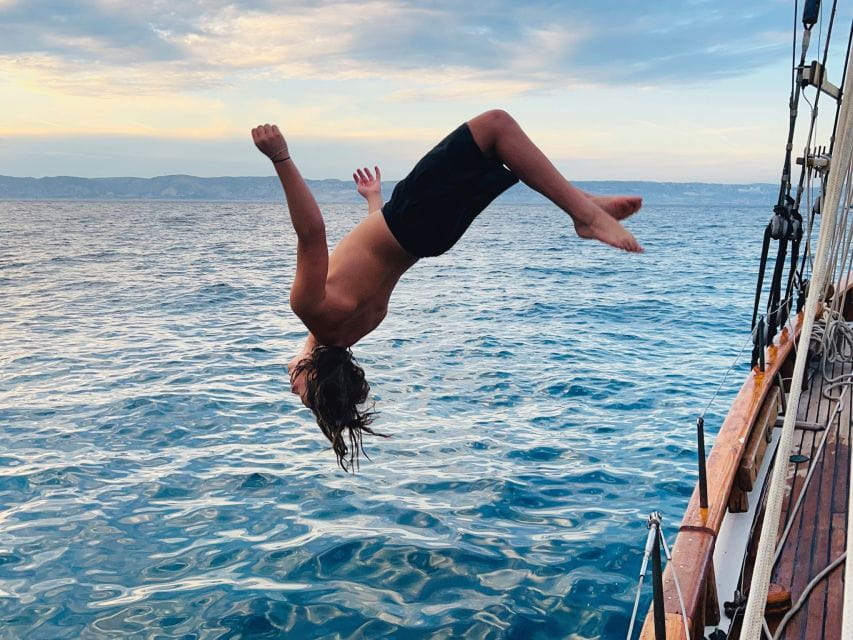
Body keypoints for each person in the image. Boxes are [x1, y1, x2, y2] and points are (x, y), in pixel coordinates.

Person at [251, 109, 643, 469]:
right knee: (495, 127)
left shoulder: (356, 326)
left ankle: (584, 204)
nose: (292, 390)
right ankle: (584, 215)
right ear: (313, 373)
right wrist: (281, 157)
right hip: (410, 217)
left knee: (497, 153)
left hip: (431, 236)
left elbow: (372, 254)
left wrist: (373, 201)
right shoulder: (309, 307)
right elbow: (311, 231)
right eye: (301, 394)